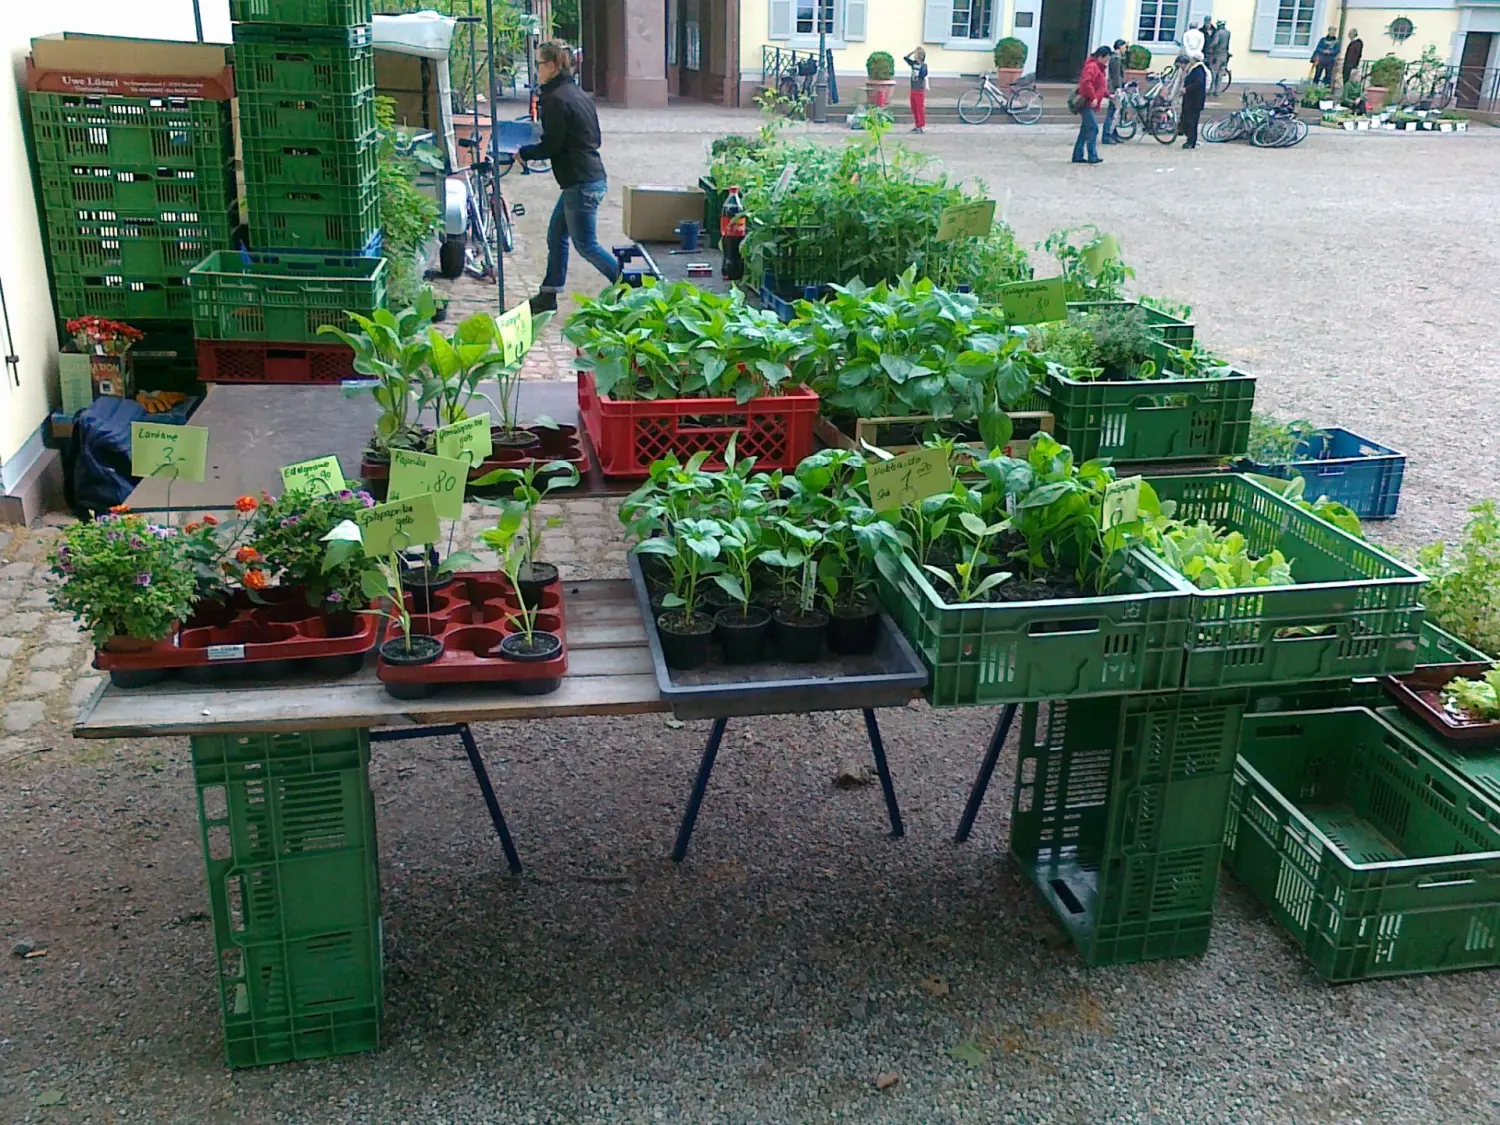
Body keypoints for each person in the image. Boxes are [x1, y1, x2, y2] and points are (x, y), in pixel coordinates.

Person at [519, 41, 619, 315]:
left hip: (581, 182)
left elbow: (552, 146)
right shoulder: (576, 93)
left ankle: (631, 287)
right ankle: (548, 295)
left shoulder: (555, 99)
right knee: (556, 235)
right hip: (588, 177)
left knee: (586, 244)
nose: (536, 69)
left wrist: (524, 153)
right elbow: (594, 137)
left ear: (551, 66)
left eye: (539, 63)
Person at [1072, 46, 1111, 165]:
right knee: (1093, 128)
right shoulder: (1092, 67)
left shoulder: (1098, 67)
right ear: (1100, 57)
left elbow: (1100, 86)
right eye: (1106, 59)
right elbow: (1086, 83)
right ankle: (1092, 155)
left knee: (1085, 129)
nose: (1107, 62)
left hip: (1091, 102)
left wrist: (1108, 95)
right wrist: (1093, 97)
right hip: (1087, 102)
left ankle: (1077, 155)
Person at [1180, 49, 1208, 148]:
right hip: (1192, 100)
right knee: (1189, 120)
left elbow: (1198, 83)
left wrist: (1186, 89)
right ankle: (1189, 139)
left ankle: (1191, 141)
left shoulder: (1198, 70)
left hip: (1194, 101)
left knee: (1192, 121)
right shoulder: (1195, 69)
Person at [1102, 39, 1127, 144]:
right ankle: (1107, 135)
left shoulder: (1116, 58)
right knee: (1112, 113)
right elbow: (1116, 76)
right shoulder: (1116, 59)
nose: (1125, 49)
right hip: (1115, 89)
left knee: (1115, 113)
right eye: (1125, 47)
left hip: (1115, 88)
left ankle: (1113, 133)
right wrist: (1119, 88)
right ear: (1120, 47)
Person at [903, 47, 929, 133]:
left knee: (919, 108)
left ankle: (921, 125)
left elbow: (924, 76)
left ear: (920, 57)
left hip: (919, 90)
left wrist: (926, 86)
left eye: (916, 55)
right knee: (914, 108)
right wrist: (912, 51)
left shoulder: (924, 66)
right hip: (913, 89)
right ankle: (917, 124)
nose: (914, 56)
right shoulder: (913, 64)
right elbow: (905, 58)